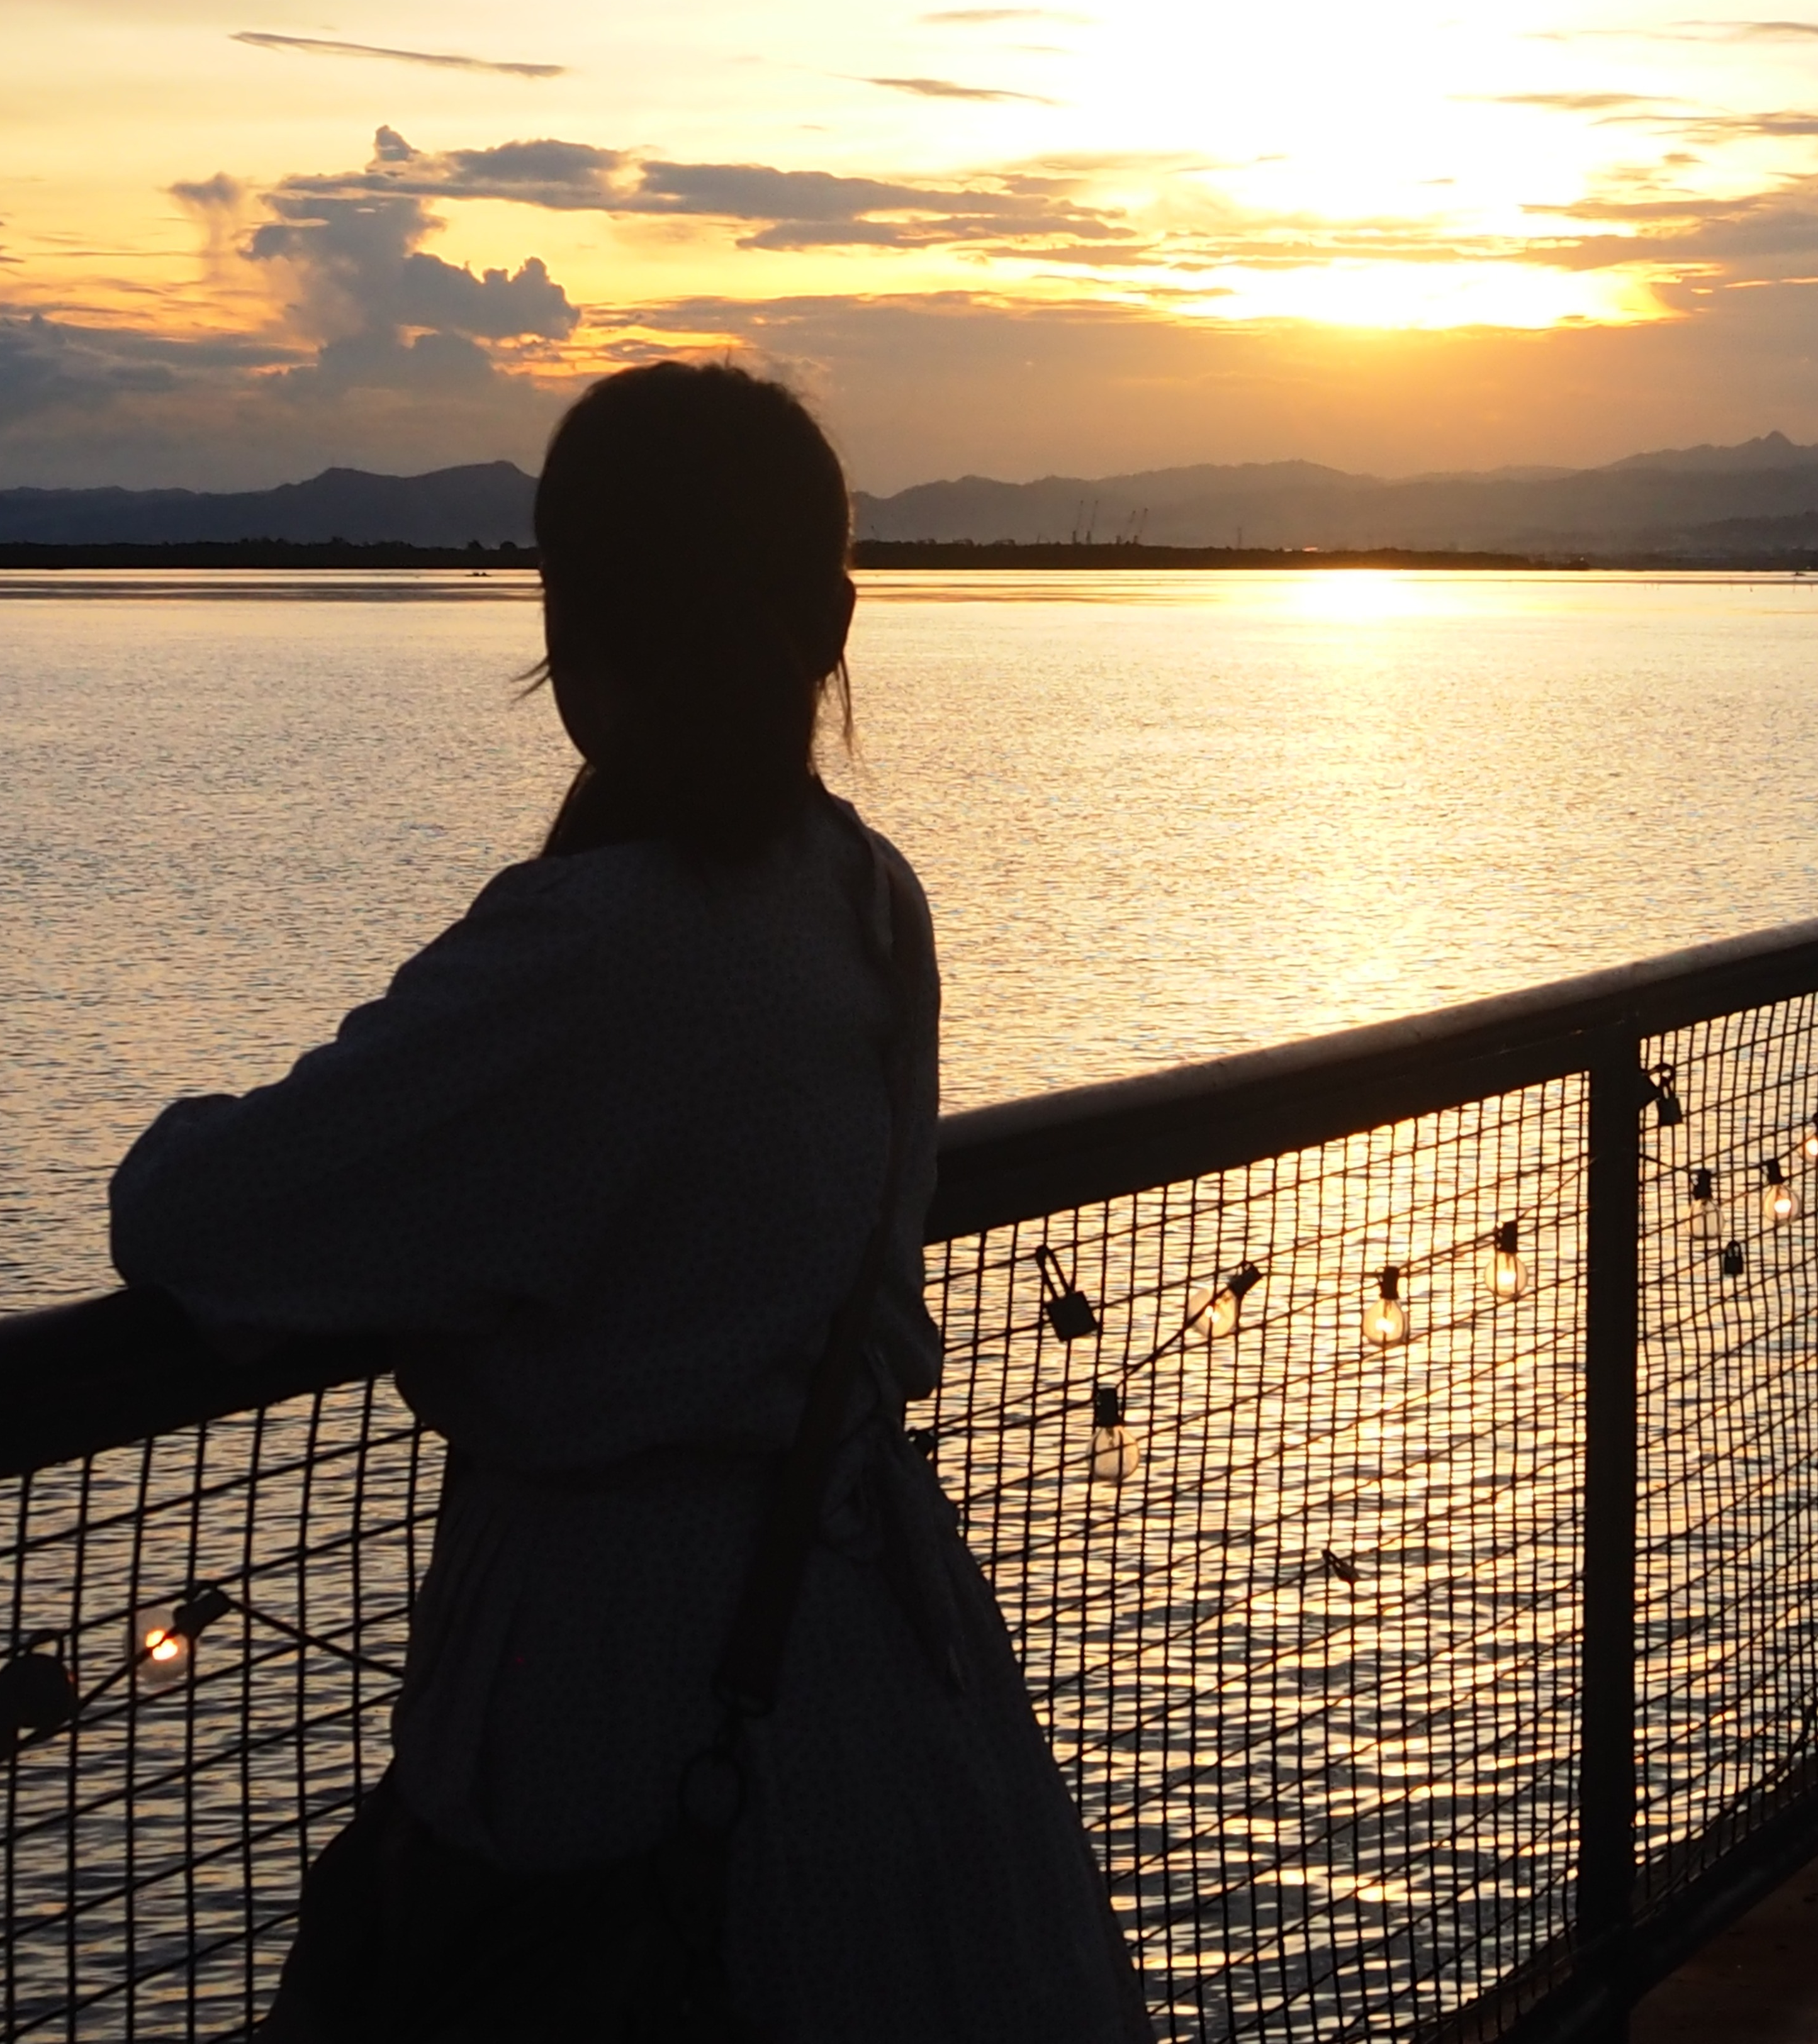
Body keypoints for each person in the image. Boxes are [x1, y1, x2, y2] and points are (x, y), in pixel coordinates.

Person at [109, 363, 1147, 2041]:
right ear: (830, 621)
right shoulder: (871, 900)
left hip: (617, 1689)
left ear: (573, 626)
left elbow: (197, 1222)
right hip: (882, 1662)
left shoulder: (596, 950)